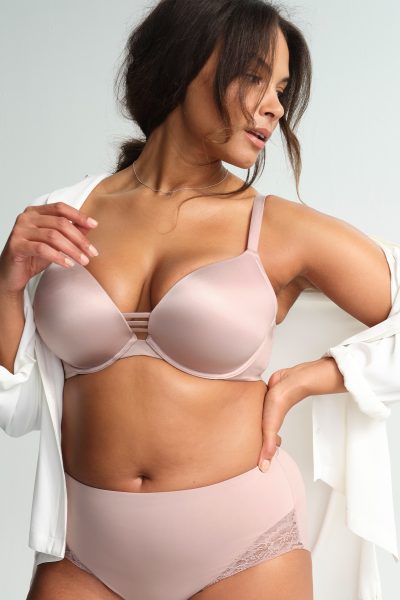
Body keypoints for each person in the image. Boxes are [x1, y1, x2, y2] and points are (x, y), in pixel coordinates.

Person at [0, 1, 394, 599]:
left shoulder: (279, 229)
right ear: (185, 63)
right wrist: (6, 285)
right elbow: (17, 410)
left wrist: (311, 378)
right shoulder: (64, 214)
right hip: (82, 551)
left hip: (245, 549)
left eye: (282, 88)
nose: (275, 106)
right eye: (255, 76)